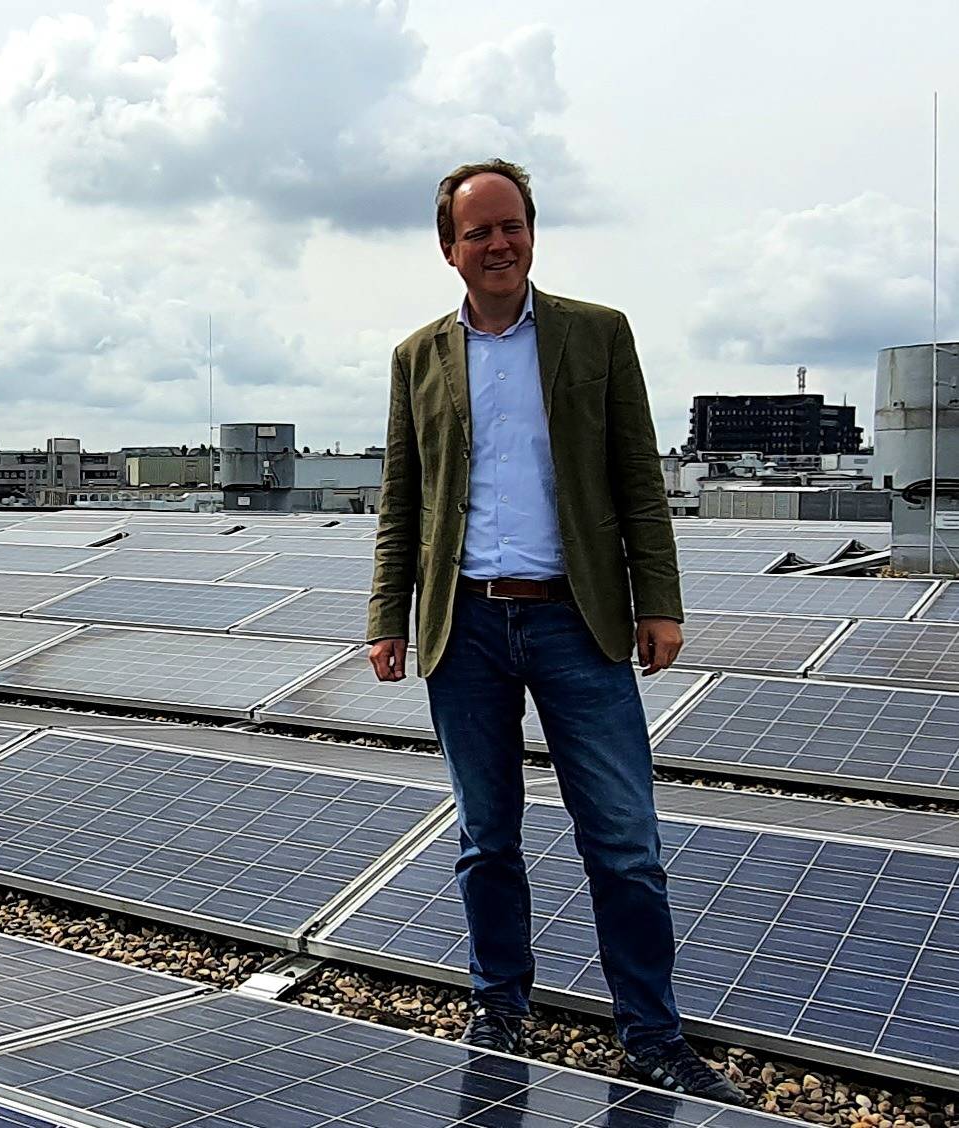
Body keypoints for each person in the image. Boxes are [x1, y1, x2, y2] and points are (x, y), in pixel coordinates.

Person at [366, 158, 745, 1103]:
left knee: (623, 840)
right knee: (483, 837)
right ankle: (500, 1005)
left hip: (579, 621)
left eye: (512, 226)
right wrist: (387, 616)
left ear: (531, 232)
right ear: (448, 249)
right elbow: (401, 500)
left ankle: (650, 1034)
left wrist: (658, 601)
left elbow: (637, 481)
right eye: (478, 232)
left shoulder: (596, 335)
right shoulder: (418, 357)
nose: (498, 244)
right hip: (466, 624)